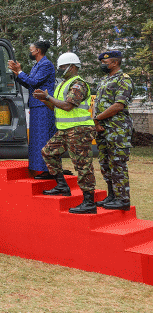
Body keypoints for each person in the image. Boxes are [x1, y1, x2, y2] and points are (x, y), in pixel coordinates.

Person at [33, 52, 97, 214]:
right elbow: (56, 107)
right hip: (65, 130)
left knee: (82, 165)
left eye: (63, 67)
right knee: (48, 152)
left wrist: (48, 96)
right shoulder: (64, 84)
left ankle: (89, 201)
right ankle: (62, 186)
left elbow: (68, 106)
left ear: (73, 66)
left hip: (79, 130)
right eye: (60, 67)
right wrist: (45, 100)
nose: (61, 70)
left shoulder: (78, 84)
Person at [93, 50, 134, 211]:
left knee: (118, 164)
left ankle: (123, 199)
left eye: (105, 62)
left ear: (115, 63)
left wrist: (97, 119)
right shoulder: (104, 79)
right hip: (103, 128)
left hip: (118, 129)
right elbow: (98, 104)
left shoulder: (124, 80)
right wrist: (97, 123)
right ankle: (112, 195)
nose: (102, 65)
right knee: (105, 164)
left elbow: (118, 105)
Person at [8, 41, 56, 179]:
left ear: (38, 51)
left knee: (43, 139)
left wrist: (20, 71)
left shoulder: (46, 64)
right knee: (36, 140)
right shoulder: (37, 65)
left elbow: (34, 82)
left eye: (31, 49)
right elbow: (30, 83)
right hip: (36, 105)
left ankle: (48, 170)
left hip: (44, 105)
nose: (30, 52)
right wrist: (17, 74)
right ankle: (39, 168)